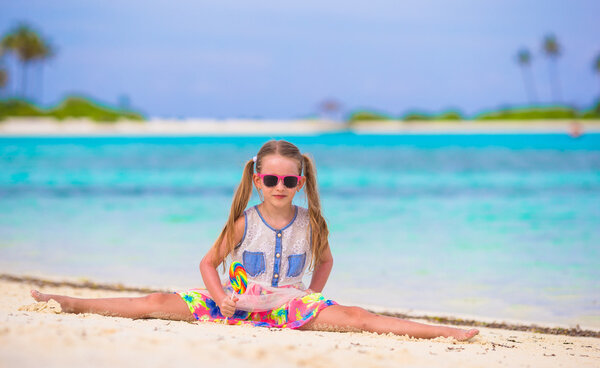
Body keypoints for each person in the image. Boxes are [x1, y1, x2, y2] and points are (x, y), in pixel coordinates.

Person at [31, 140, 479, 340]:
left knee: (360, 317)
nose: (279, 186)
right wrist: (222, 297)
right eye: (270, 179)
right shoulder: (243, 222)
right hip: (235, 307)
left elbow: (325, 262)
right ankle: (70, 302)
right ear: (257, 179)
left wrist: (311, 296)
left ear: (300, 182)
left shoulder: (313, 222)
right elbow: (208, 263)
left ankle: (448, 332)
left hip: (288, 307)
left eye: (288, 179)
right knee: (152, 301)